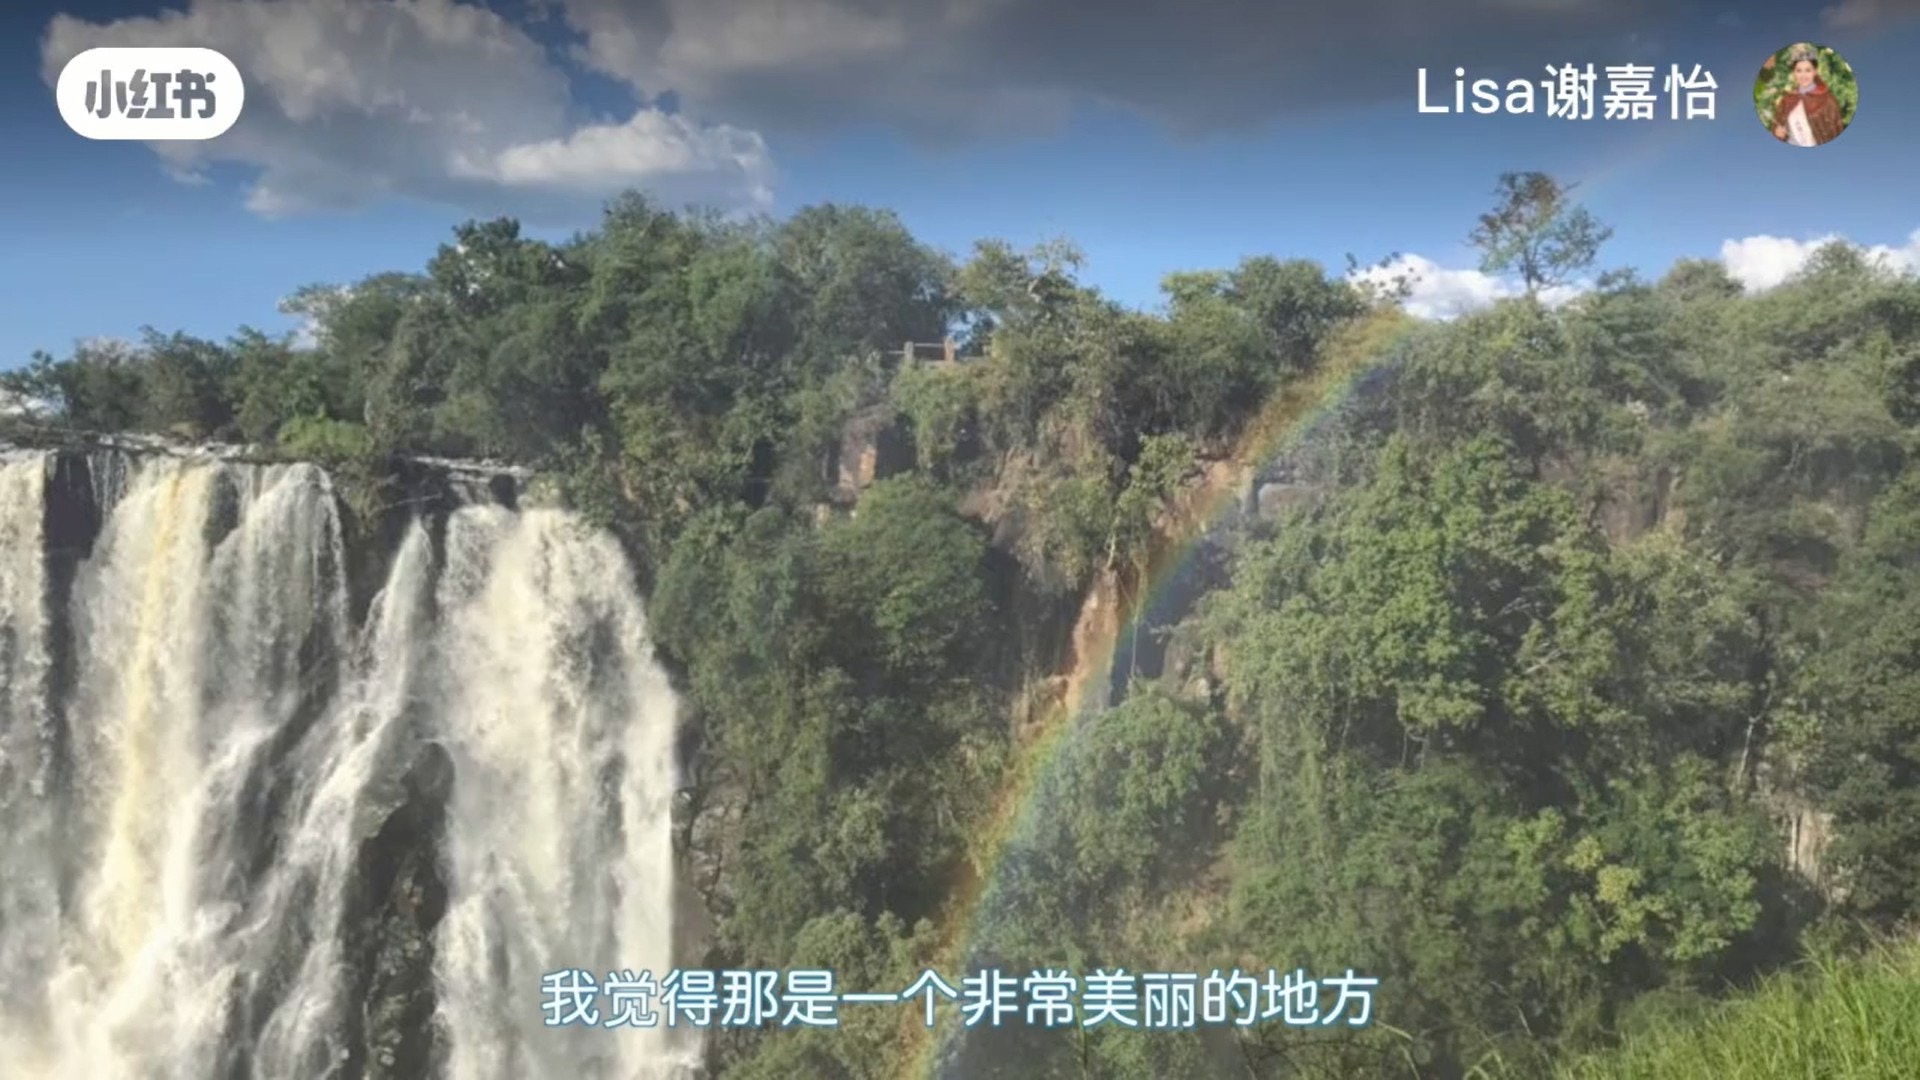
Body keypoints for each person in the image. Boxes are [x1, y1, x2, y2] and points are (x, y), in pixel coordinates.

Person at [1769, 46, 1845, 146]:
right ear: (1794, 73)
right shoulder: (1787, 100)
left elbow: (1836, 133)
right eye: (1799, 70)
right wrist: (1778, 133)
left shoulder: (1827, 100)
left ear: (1815, 72)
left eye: (1808, 70)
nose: (1803, 75)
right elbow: (1777, 129)